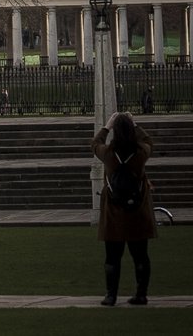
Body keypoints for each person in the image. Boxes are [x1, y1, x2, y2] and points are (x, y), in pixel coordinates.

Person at [94, 112, 156, 306]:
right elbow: (148, 141)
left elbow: (95, 144)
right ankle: (141, 294)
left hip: (114, 214)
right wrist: (135, 124)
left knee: (112, 257)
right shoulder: (140, 154)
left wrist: (107, 126)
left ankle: (111, 295)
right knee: (140, 256)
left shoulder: (109, 155)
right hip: (137, 213)